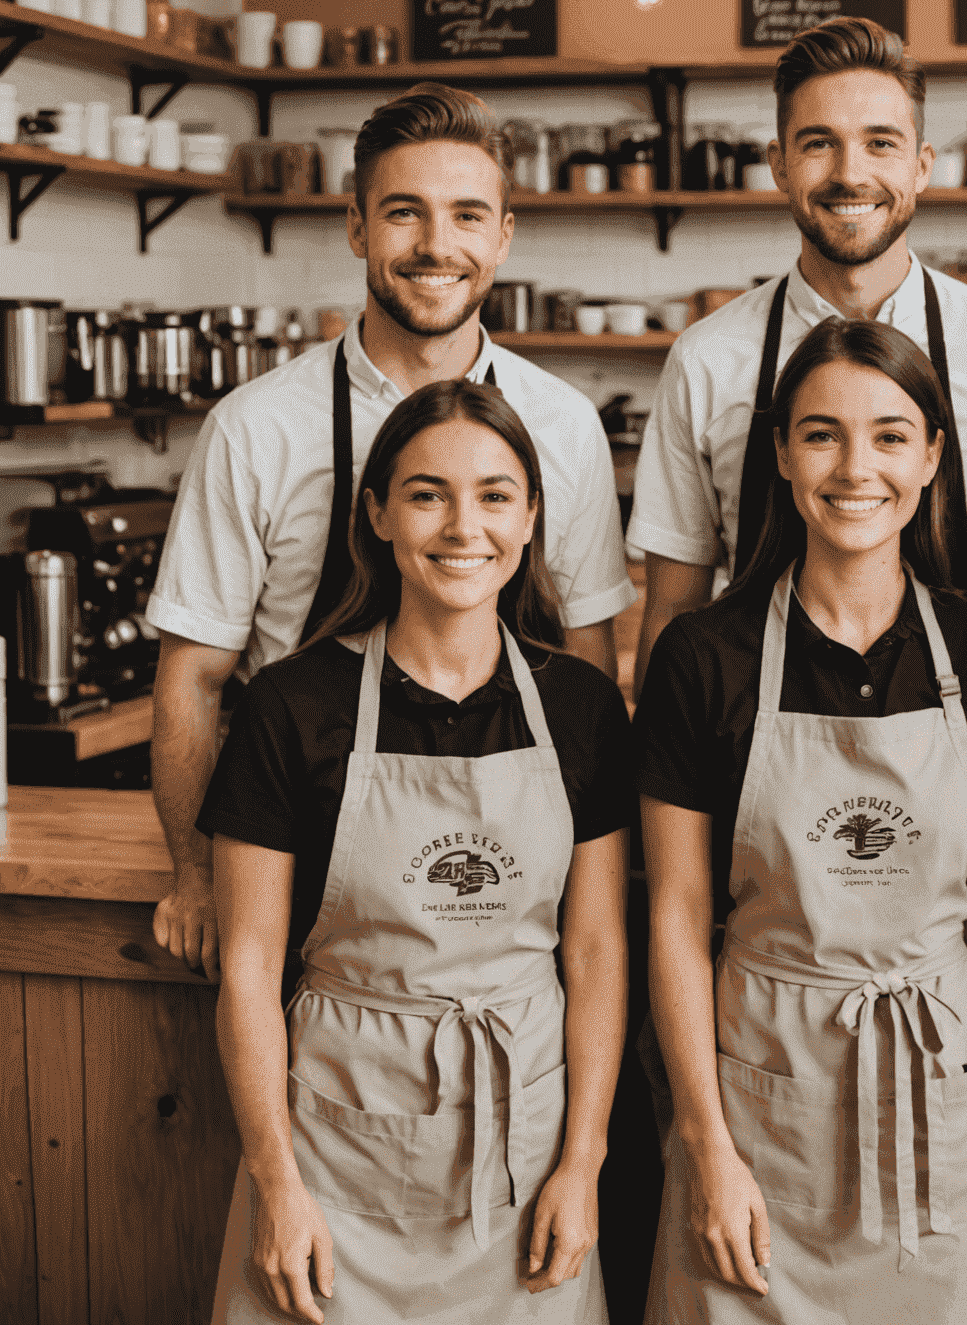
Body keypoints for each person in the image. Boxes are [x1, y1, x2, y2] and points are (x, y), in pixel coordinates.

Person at [146, 82, 635, 982]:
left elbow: (586, 664)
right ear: (357, 227)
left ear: (504, 234)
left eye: (466, 215)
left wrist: (583, 876)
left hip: (507, 875)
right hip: (296, 867)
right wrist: (194, 872)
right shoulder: (258, 427)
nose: (437, 246)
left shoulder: (561, 426)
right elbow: (194, 675)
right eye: (405, 214)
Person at [637, 316, 967, 1323]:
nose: (855, 466)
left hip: (939, 1101)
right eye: (821, 434)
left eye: (890, 435)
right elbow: (677, 924)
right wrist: (707, 1145)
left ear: (934, 455)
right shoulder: (702, 656)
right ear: (780, 454)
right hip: (756, 1103)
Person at [205, 378, 631, 1324]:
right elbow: (246, 967)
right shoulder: (292, 705)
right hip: (331, 1160)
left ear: (530, 519)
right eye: (427, 493)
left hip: (528, 1162)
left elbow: (597, 952)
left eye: (494, 494)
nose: (461, 526)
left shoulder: (581, 707)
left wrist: (584, 1162)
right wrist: (277, 1184)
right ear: (379, 515)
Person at [629, 16, 967, 698]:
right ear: (778, 165)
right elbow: (670, 612)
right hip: (752, 746)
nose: (850, 173)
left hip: (956, 745)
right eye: (818, 144)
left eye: (880, 143)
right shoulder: (707, 359)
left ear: (921, 165)